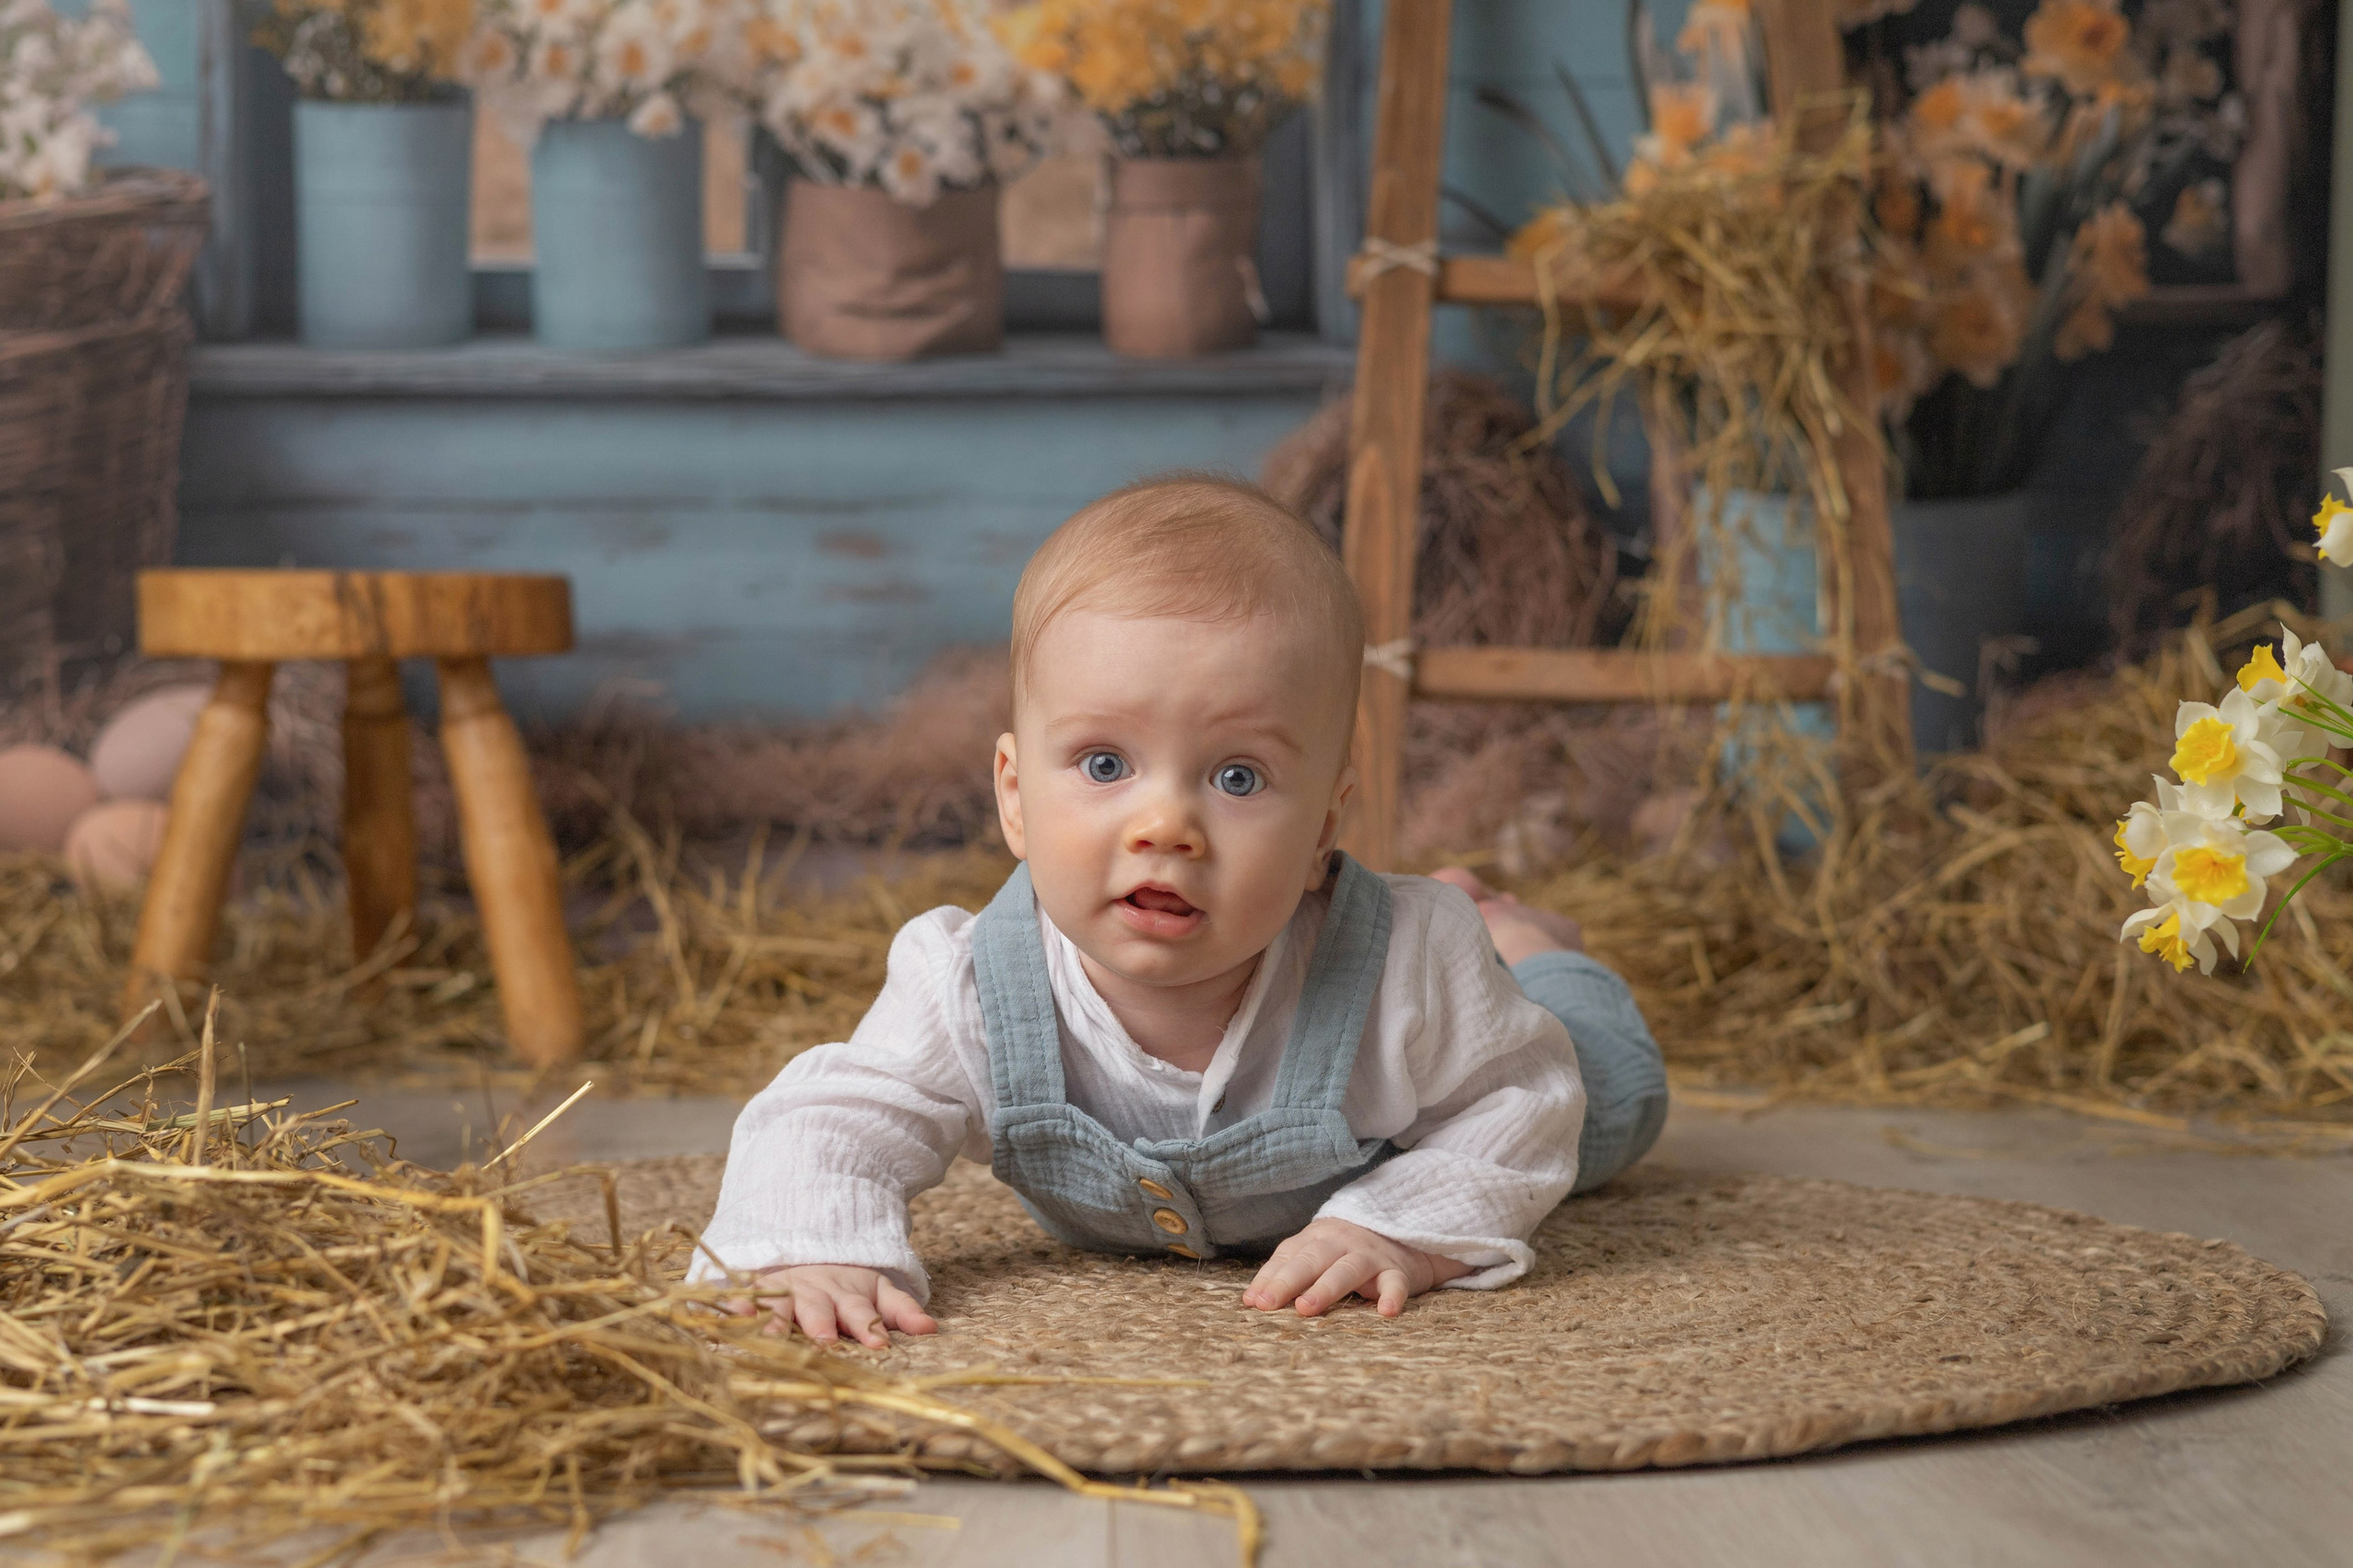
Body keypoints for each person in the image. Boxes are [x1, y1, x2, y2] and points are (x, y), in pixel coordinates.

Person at [695, 475, 1667, 1346]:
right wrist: (813, 1245)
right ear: (1015, 794)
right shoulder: (967, 981)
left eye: (1238, 776)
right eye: (1105, 764)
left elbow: (1522, 1101)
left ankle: (1528, 943)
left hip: (1491, 1031)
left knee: (1604, 1101)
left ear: (1326, 821)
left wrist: (1395, 1226)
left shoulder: (1401, 967)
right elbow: (840, 1114)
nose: (1166, 824)